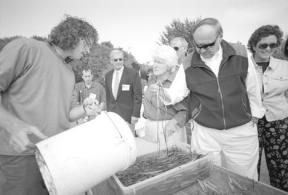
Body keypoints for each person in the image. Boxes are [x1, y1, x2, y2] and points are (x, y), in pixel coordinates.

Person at [0, 16, 98, 194]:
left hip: (54, 158)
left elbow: (66, 114)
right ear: (74, 35)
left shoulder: (69, 73)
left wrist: (84, 108)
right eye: (87, 44)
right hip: (20, 157)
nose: (88, 51)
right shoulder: (26, 47)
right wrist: (12, 124)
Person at [162, 18, 264, 180]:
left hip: (241, 131)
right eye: (198, 46)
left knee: (244, 178)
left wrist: (256, 113)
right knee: (208, 176)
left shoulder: (241, 53)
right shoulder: (188, 63)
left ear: (220, 36)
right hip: (205, 133)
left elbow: (252, 86)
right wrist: (161, 90)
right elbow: (175, 93)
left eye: (208, 45)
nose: (202, 50)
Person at [248, 25, 288, 191]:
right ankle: (251, 191)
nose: (268, 49)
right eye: (263, 45)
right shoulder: (244, 66)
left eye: (273, 45)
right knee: (250, 163)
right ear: (254, 45)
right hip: (250, 122)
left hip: (278, 123)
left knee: (281, 167)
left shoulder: (285, 66)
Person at [141, 45, 187, 148]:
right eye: (155, 61)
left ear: (169, 65)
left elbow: (185, 111)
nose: (155, 65)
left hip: (169, 130)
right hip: (150, 128)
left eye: (160, 62)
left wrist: (173, 123)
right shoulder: (152, 79)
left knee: (172, 162)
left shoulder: (176, 84)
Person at [104, 49, 142, 134]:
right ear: (111, 61)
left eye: (120, 59)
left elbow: (138, 96)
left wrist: (135, 115)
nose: (118, 62)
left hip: (128, 117)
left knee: (129, 144)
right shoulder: (108, 76)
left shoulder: (133, 74)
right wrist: (109, 112)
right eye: (115, 60)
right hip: (113, 117)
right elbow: (108, 97)